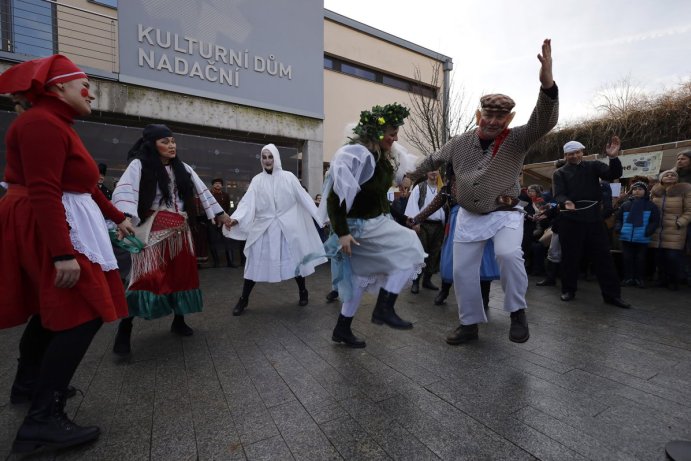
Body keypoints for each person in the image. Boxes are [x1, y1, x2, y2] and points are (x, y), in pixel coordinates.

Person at [0, 55, 135, 453]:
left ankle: (29, 385)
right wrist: (62, 253)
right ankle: (42, 418)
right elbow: (45, 189)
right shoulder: (41, 123)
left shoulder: (54, 123)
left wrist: (117, 218)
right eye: (83, 84)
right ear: (58, 88)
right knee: (85, 312)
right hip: (49, 224)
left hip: (57, 220)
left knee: (51, 311)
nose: (90, 91)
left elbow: (85, 185)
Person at [409, 39, 558, 345]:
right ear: (479, 116)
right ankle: (469, 324)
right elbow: (433, 159)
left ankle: (517, 311)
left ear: (509, 120)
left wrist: (548, 85)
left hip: (505, 214)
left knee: (508, 253)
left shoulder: (517, 139)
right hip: (468, 215)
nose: (492, 122)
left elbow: (544, 121)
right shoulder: (460, 142)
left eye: (499, 118)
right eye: (487, 116)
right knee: (462, 272)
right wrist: (409, 175)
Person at [111, 124, 231, 354]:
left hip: (181, 233)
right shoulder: (139, 165)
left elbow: (203, 192)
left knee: (181, 277)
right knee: (144, 279)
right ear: (152, 144)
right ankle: (124, 329)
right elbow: (125, 192)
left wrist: (221, 215)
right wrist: (124, 217)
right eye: (165, 141)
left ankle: (179, 320)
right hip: (153, 233)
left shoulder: (183, 168)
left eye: (173, 141)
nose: (171, 145)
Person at [321, 102, 425, 348]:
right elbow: (335, 198)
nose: (395, 138)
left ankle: (342, 329)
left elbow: (391, 189)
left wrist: (404, 217)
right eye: (392, 133)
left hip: (374, 222)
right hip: (360, 227)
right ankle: (384, 308)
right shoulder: (357, 154)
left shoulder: (382, 157)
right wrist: (343, 233)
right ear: (377, 133)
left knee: (357, 280)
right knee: (411, 248)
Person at [225, 144, 327, 315]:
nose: (267, 160)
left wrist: (320, 217)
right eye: (264, 157)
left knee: (295, 260)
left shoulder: (289, 177)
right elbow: (247, 202)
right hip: (264, 228)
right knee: (253, 263)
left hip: (287, 228)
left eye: (270, 156)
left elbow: (303, 198)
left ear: (276, 158)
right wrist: (235, 219)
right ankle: (244, 299)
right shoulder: (257, 180)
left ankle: (303, 291)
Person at [552, 138, 631, 307]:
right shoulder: (560, 173)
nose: (574, 156)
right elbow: (558, 194)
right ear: (565, 156)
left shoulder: (593, 166)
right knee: (570, 257)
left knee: (604, 257)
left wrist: (613, 158)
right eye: (569, 154)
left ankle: (612, 295)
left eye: (576, 152)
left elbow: (613, 174)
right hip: (570, 219)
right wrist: (566, 202)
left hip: (594, 218)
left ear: (582, 152)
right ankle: (568, 290)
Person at [410, 163, 500, 307]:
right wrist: (416, 219)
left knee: (482, 259)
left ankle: (484, 297)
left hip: (480, 223)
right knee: (452, 258)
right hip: (457, 224)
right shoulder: (448, 187)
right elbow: (433, 205)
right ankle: (444, 291)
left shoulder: (482, 182)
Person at [649, 170, 691, 290]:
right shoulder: (655, 191)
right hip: (657, 229)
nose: (670, 176)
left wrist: (680, 222)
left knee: (673, 256)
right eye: (666, 175)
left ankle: (674, 280)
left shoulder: (685, 190)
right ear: (661, 178)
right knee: (659, 256)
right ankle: (662, 280)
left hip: (675, 228)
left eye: (673, 175)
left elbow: (689, 210)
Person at [405, 170, 445, 293]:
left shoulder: (442, 188)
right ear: (427, 173)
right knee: (421, 253)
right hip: (423, 225)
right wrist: (415, 222)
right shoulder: (420, 187)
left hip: (439, 226)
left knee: (435, 254)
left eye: (436, 171)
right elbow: (412, 204)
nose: (433, 173)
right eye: (431, 170)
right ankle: (415, 281)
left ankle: (427, 280)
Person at [614, 181, 659, 288]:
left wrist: (648, 231)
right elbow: (618, 219)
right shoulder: (626, 205)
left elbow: (655, 220)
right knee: (627, 258)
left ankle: (639, 279)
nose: (637, 191)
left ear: (645, 191)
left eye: (640, 189)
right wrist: (619, 228)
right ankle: (628, 278)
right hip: (626, 236)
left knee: (641, 259)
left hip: (642, 237)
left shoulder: (651, 205)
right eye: (635, 189)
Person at [208, 178, 236, 267]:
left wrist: (224, 218)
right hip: (212, 221)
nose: (217, 185)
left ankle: (230, 262)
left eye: (219, 183)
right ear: (213, 185)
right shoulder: (208, 195)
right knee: (213, 242)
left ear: (222, 185)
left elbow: (228, 207)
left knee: (227, 241)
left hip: (224, 221)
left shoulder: (226, 195)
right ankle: (216, 263)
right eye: (216, 183)